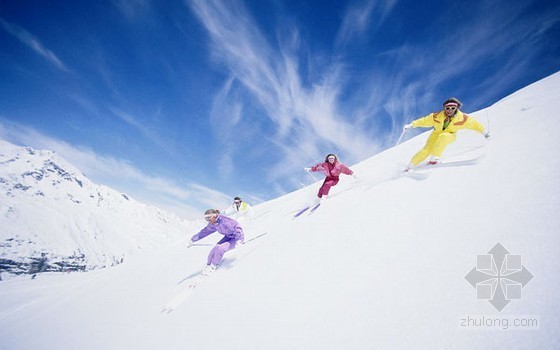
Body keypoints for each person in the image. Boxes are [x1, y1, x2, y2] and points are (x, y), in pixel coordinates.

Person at [403, 97, 490, 171]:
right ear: (444, 108)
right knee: (426, 150)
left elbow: (475, 125)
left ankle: (434, 159)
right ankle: (410, 166)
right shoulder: (437, 116)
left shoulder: (463, 118)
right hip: (435, 134)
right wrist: (411, 125)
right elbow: (424, 121)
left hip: (450, 134)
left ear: (457, 108)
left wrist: (484, 132)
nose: (450, 110)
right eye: (447, 108)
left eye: (452, 108)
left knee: (443, 137)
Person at [188, 209, 244, 275]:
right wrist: (193, 239)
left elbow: (237, 226)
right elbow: (205, 231)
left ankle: (213, 266)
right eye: (206, 219)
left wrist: (239, 240)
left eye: (209, 218)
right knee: (215, 248)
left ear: (214, 215)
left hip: (236, 238)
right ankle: (208, 266)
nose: (208, 221)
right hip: (228, 237)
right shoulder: (214, 224)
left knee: (220, 248)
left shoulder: (225, 221)